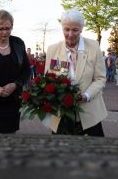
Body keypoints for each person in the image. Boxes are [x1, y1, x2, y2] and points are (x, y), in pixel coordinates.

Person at [44, 8, 107, 137]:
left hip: (89, 113)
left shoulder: (93, 47)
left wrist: (86, 95)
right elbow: (48, 79)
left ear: (81, 29)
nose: (70, 34)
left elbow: (100, 78)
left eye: (75, 30)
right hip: (61, 113)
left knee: (96, 153)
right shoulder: (53, 49)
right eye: (66, 29)